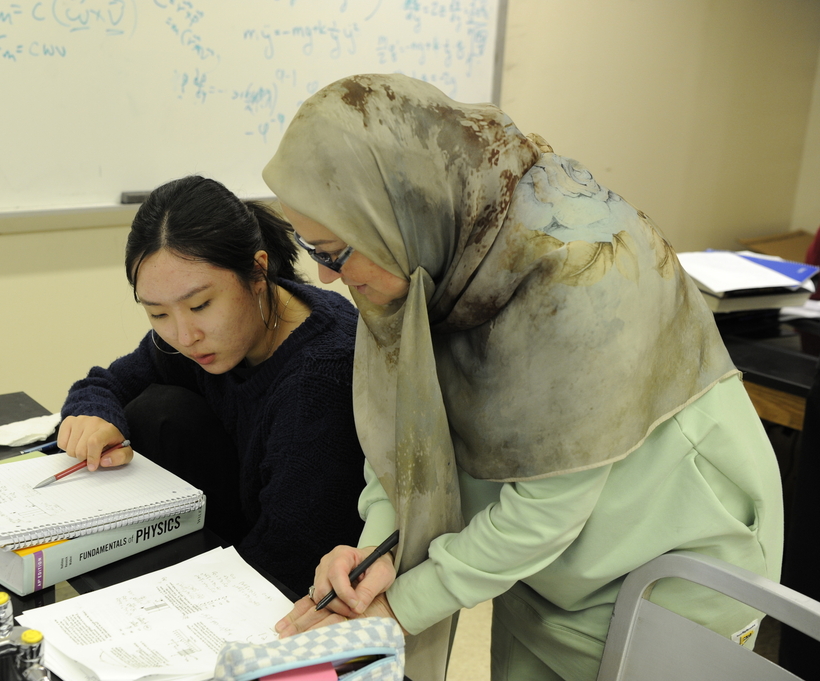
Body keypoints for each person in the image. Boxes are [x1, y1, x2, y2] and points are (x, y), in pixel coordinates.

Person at [262, 74, 784, 681]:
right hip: (535, 562)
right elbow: (404, 439)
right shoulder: (426, 253)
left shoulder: (585, 276)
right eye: (314, 251)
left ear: (396, 213)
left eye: (334, 252)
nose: (326, 278)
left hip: (667, 558)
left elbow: (546, 511)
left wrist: (398, 607)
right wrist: (376, 554)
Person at [57, 175, 365, 594]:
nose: (184, 336)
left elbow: (286, 563)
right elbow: (108, 383)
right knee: (156, 408)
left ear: (257, 272)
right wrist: (93, 416)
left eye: (200, 305)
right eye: (158, 314)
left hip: (289, 575)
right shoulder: (212, 337)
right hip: (238, 526)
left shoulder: (320, 377)